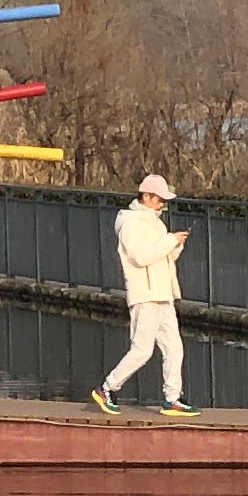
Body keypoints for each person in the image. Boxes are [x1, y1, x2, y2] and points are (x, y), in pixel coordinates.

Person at [92, 175, 198, 418]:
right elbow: (141, 257)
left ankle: (172, 399)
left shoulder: (155, 222)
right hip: (145, 295)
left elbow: (162, 259)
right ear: (146, 196)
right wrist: (170, 240)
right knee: (142, 350)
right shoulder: (131, 223)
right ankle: (107, 388)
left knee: (174, 347)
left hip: (162, 294)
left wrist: (175, 246)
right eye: (160, 199)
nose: (163, 203)